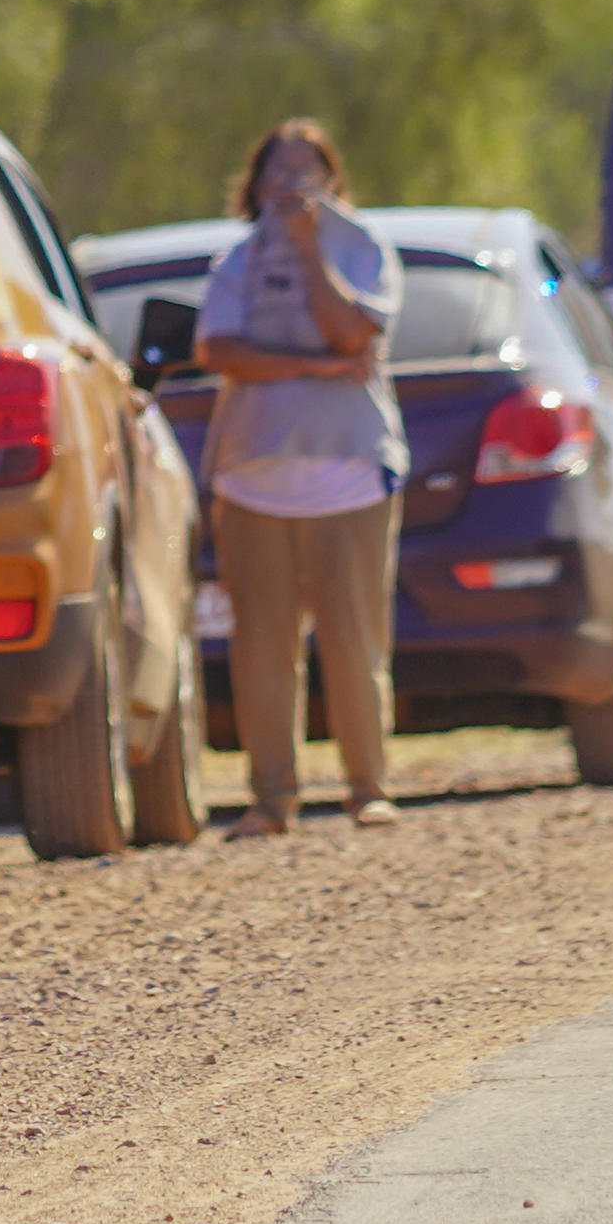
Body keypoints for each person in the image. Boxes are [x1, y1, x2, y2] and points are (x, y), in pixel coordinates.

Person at [196, 116, 406, 833]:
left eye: (304, 171)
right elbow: (219, 348)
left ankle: (368, 788)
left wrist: (313, 252)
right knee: (261, 645)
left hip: (348, 475)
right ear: (254, 184)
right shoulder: (234, 261)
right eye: (276, 172)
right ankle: (272, 798)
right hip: (252, 478)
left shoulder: (364, 247)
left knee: (354, 640)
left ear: (331, 179)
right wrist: (316, 366)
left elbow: (356, 333)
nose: (289, 185)